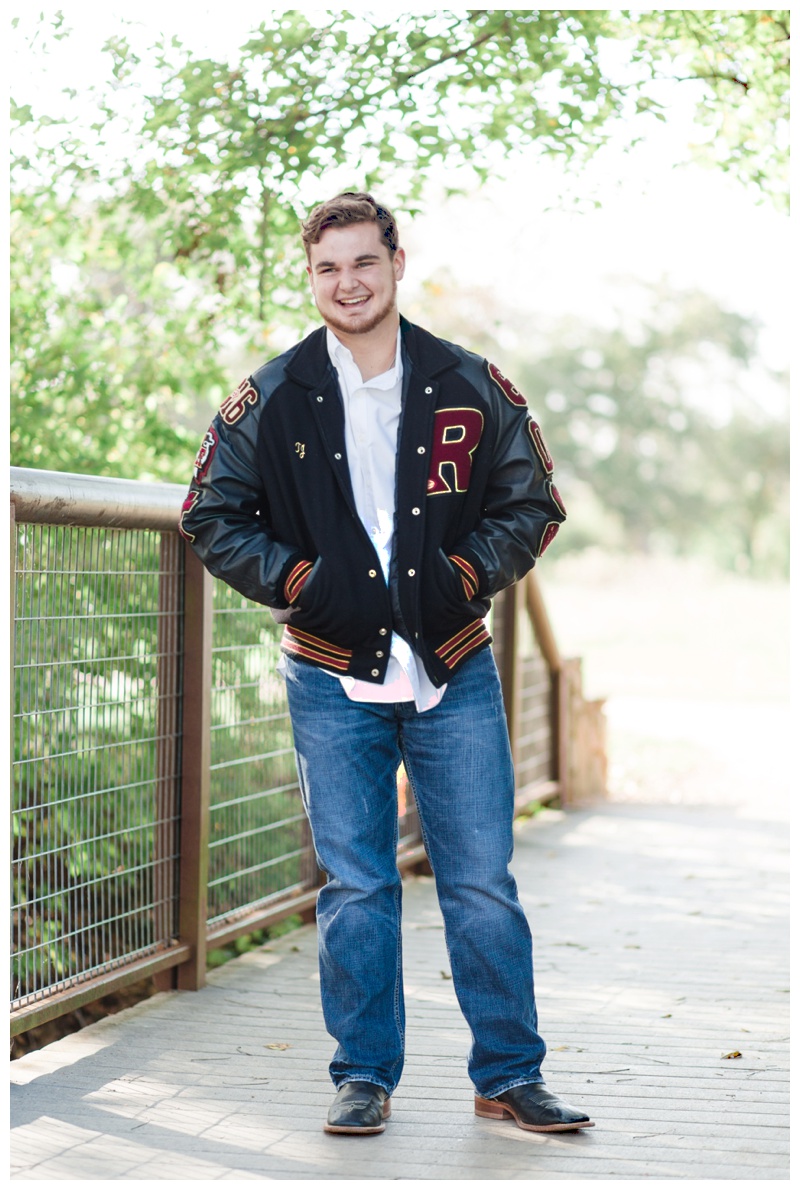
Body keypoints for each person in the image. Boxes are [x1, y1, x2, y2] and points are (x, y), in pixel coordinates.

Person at [180, 191, 592, 1137]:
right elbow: (209, 514)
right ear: (312, 277)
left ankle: (510, 1074)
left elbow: (532, 503)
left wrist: (462, 572)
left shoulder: (466, 381)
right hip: (330, 672)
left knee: (482, 880)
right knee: (356, 885)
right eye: (328, 268)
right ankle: (364, 1074)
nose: (347, 282)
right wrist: (296, 578)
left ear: (398, 263)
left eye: (364, 262)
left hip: (451, 662)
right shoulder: (273, 395)